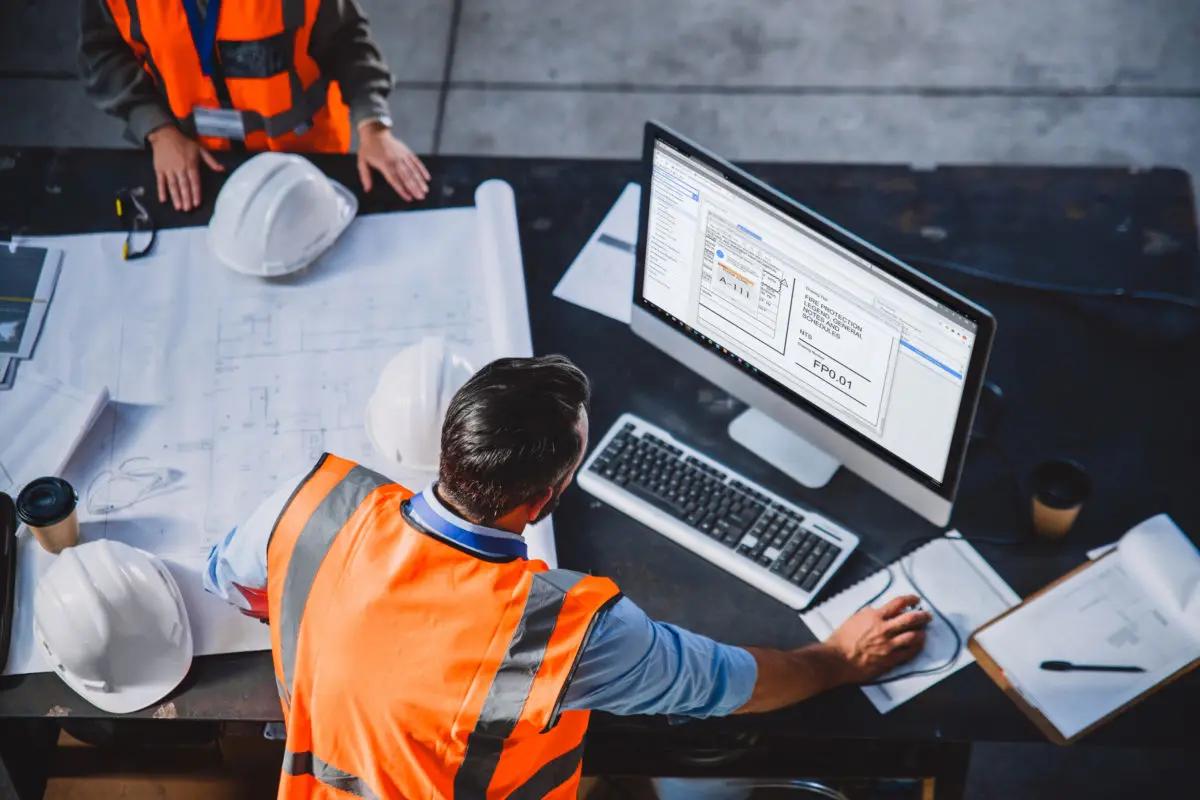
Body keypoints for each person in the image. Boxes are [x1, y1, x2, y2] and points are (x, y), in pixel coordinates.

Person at [205, 355, 930, 799]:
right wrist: (836, 660)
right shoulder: (559, 634)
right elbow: (728, 684)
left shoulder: (313, 509)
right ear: (545, 499)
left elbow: (227, 577)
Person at [79, 0, 430, 212]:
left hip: (306, 156)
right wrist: (157, 129)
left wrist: (374, 125)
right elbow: (103, 52)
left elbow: (347, 40)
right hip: (197, 163)